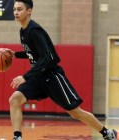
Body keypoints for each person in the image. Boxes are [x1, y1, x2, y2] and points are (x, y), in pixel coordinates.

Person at [8, 0, 119, 140]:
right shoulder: (23, 31)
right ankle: (17, 137)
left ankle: (107, 133)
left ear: (29, 11)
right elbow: (34, 53)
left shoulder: (34, 31)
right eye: (14, 9)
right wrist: (15, 55)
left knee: (75, 112)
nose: (16, 12)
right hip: (38, 77)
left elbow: (48, 58)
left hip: (52, 76)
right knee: (15, 100)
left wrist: (25, 76)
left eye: (19, 9)